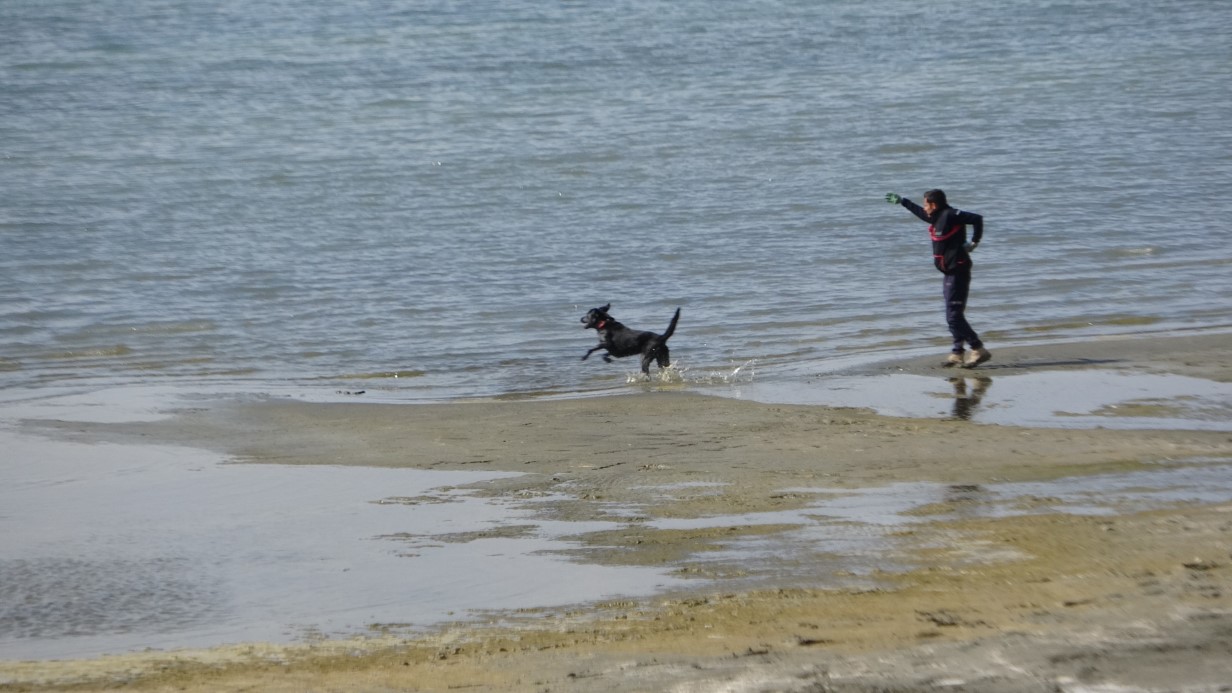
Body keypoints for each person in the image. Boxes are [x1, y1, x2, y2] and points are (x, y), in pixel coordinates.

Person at [885, 189, 991, 368]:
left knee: (953, 316)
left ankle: (978, 348)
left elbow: (976, 218)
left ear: (933, 204)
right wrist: (903, 202)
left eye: (926, 203)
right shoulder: (936, 217)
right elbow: (920, 213)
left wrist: (974, 242)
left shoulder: (951, 215)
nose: (924, 207)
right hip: (949, 273)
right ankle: (957, 353)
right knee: (953, 315)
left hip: (958, 270)